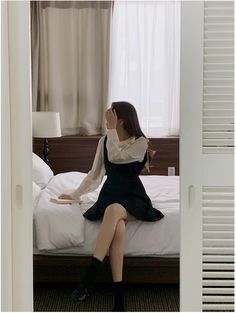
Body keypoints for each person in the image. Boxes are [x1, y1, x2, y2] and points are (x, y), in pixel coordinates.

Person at [59, 101, 164, 311]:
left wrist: (110, 131)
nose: (107, 119)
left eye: (111, 116)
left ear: (121, 120)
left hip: (133, 197)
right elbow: (94, 176)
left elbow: (118, 157)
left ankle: (91, 274)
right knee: (118, 227)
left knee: (114, 210)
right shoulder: (105, 141)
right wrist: (73, 194)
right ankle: (119, 295)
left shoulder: (140, 142)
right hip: (111, 196)